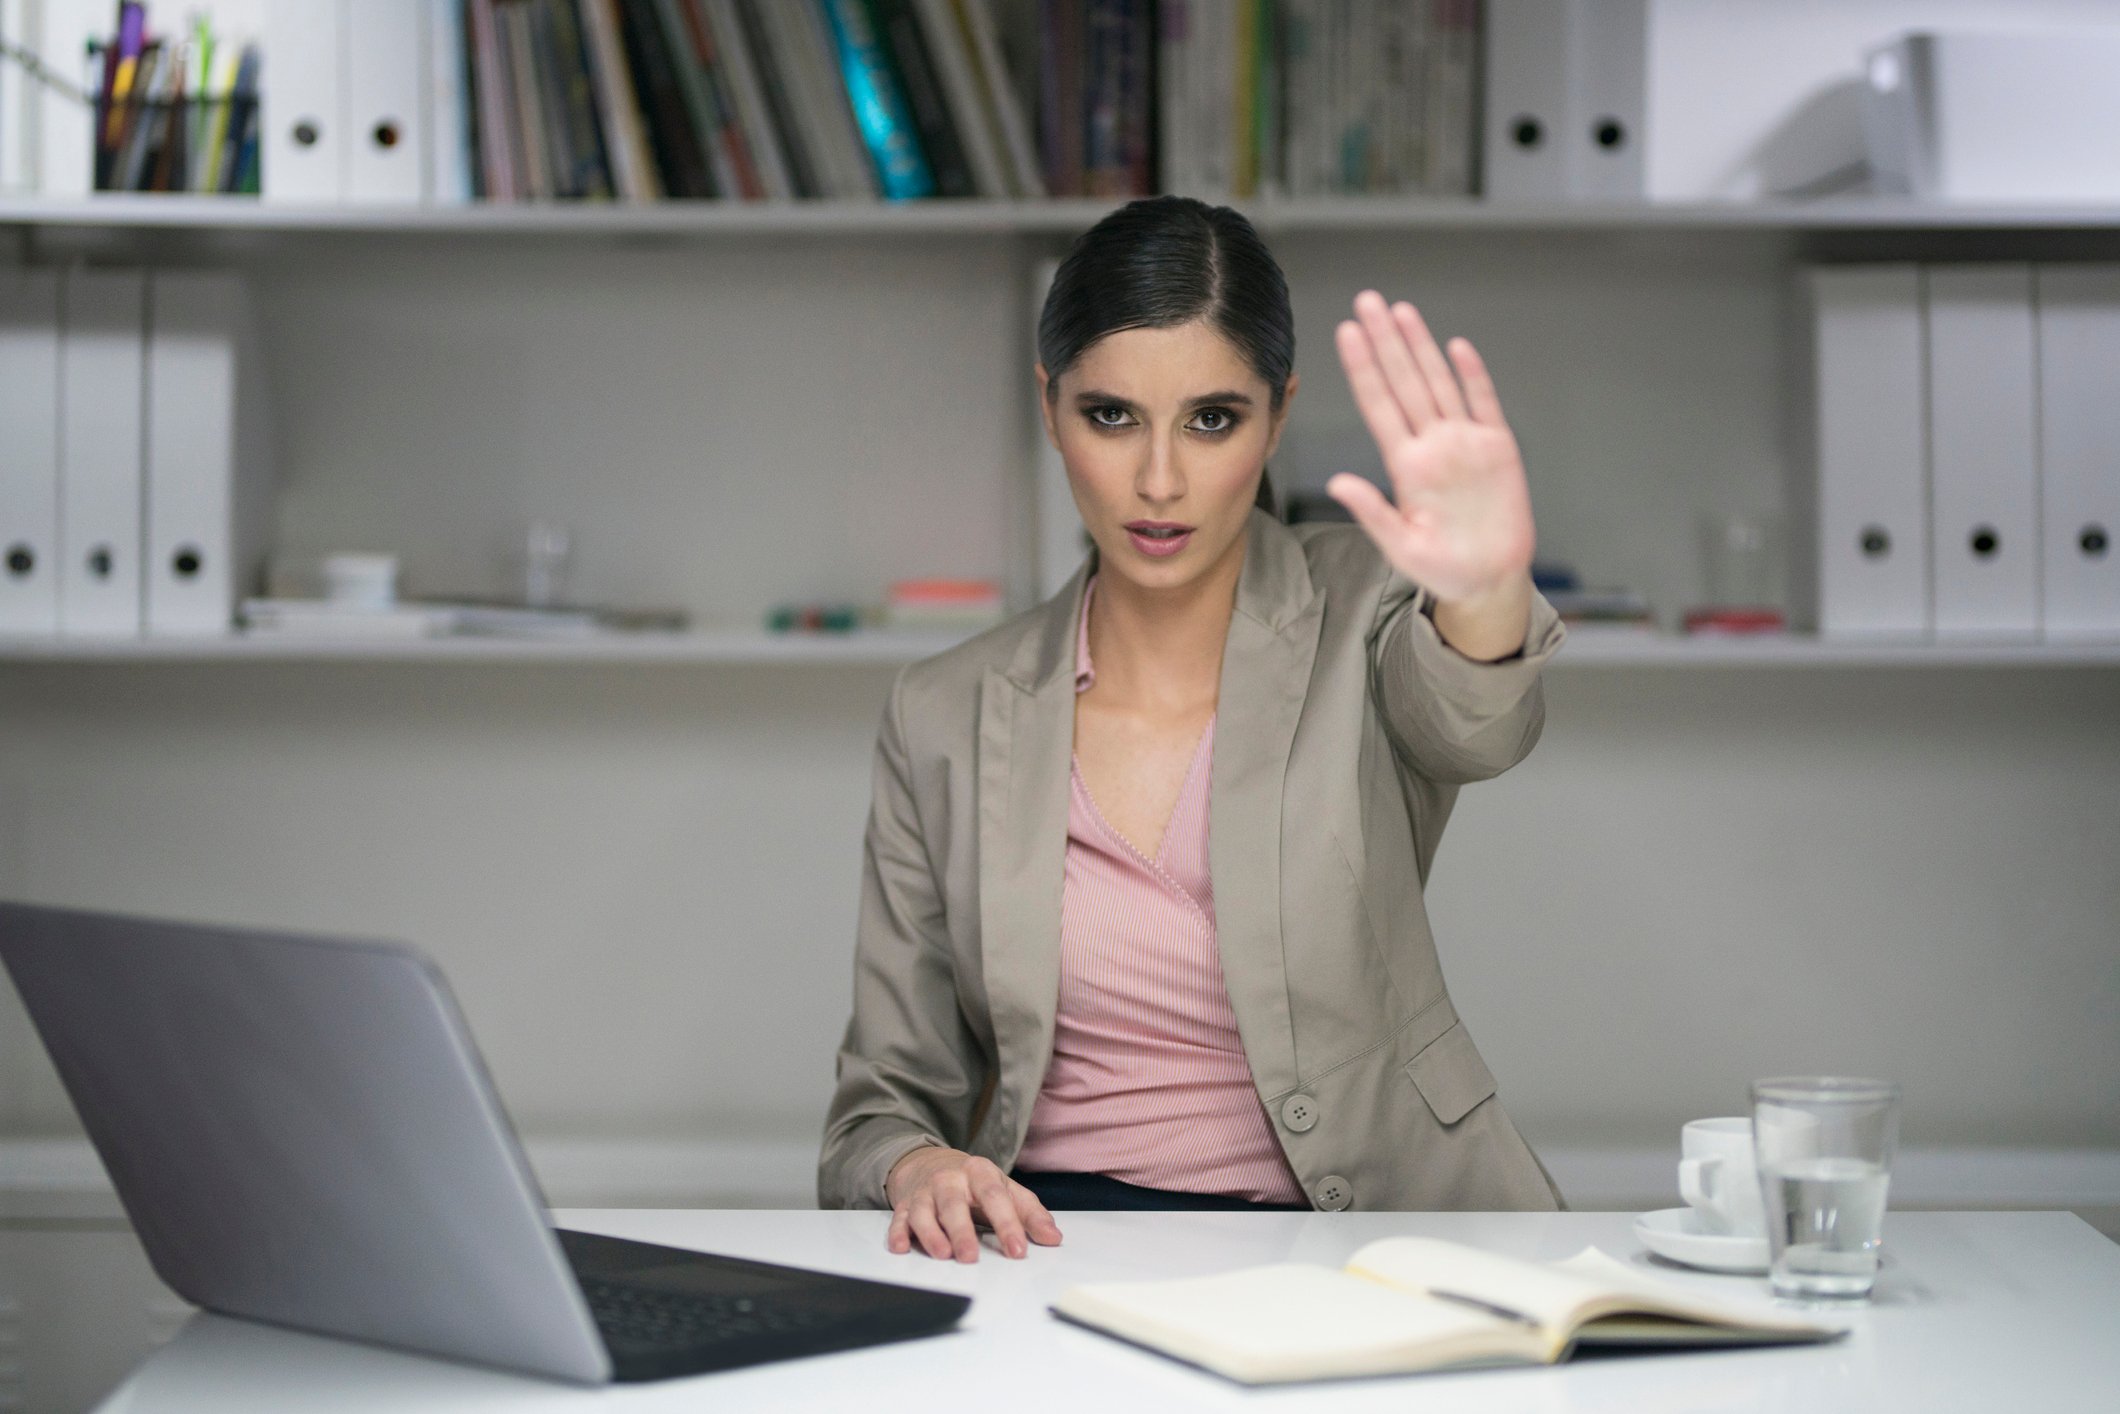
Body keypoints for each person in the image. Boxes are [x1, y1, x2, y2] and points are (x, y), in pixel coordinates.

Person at [818, 195, 1567, 1263]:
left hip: (1371, 1240)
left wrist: (1487, 586)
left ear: (1276, 413)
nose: (1159, 480)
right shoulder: (944, 709)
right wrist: (918, 1163)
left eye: (1211, 419)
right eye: (1111, 415)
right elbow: (878, 1104)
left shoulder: (1369, 604)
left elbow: (1473, 728)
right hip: (1055, 1249)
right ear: (1048, 407)